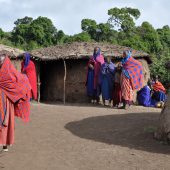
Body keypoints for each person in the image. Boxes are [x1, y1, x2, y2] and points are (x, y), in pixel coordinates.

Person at [0, 53, 31, 152]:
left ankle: (5, 144)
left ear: (5, 61)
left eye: (1, 61)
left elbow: (21, 79)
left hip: (7, 100)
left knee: (5, 121)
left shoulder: (10, 72)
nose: (0, 63)